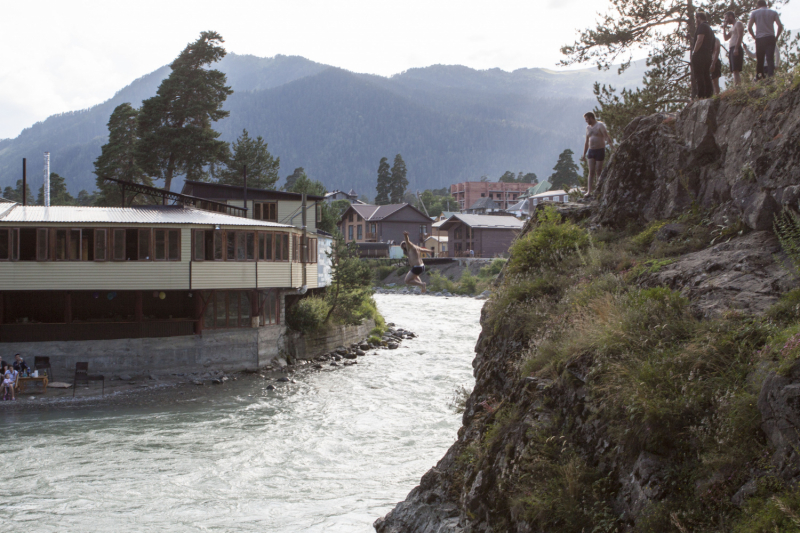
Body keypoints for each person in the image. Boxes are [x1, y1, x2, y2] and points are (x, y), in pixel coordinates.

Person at [748, 0, 783, 79]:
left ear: (758, 5)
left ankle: (760, 77)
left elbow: (749, 27)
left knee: (760, 59)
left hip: (760, 38)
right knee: (770, 59)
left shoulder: (754, 13)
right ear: (766, 4)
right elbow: (780, 26)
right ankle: (771, 77)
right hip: (770, 37)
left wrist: (754, 37)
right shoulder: (773, 12)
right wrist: (776, 37)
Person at [580, 112, 613, 196]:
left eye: (587, 119)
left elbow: (606, 136)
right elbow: (586, 142)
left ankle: (598, 190)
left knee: (598, 171)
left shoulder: (600, 125)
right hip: (591, 151)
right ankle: (589, 191)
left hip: (600, 150)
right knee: (591, 171)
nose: (586, 121)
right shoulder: (588, 128)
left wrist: (612, 147)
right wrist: (584, 154)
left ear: (591, 118)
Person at [692, 12, 715, 99]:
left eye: (696, 19)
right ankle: (709, 94)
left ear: (698, 18)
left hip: (700, 55)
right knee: (706, 75)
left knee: (699, 75)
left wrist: (694, 52)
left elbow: (700, 40)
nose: (695, 21)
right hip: (708, 55)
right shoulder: (709, 28)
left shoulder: (702, 26)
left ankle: (701, 95)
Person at [724, 11, 745, 86]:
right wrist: (724, 27)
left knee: (736, 69)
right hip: (732, 48)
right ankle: (737, 85)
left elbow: (740, 35)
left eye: (726, 18)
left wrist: (736, 48)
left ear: (731, 16)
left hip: (736, 47)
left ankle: (738, 86)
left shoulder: (738, 24)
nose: (726, 20)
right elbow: (726, 38)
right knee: (734, 70)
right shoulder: (732, 27)